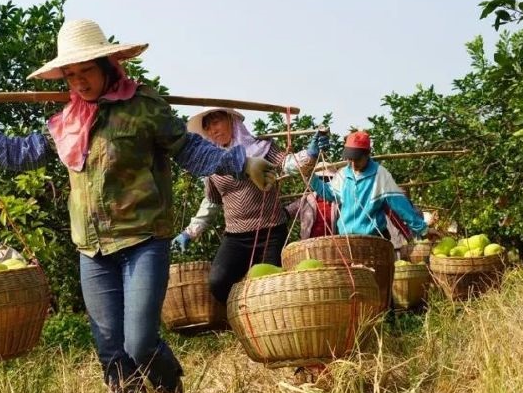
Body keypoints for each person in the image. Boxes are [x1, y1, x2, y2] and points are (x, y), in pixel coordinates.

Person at [0, 19, 276, 393]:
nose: (80, 82)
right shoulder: (67, 122)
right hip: (92, 249)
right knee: (110, 348)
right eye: (70, 74)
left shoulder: (144, 107)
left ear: (107, 65)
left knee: (139, 342)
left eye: (86, 70)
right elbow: (22, 153)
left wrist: (240, 162)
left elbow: (189, 149)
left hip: (142, 239)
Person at [172, 110, 330, 304]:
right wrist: (190, 232)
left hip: (270, 231)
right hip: (236, 236)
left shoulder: (262, 148)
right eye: (208, 127)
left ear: (231, 121)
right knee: (218, 281)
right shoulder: (212, 163)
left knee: (269, 286)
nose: (213, 130)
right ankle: (239, 318)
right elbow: (212, 202)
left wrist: (310, 153)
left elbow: (289, 164)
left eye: (217, 122)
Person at [309, 131, 429, 241]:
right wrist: (309, 169)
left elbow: (401, 206)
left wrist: (423, 230)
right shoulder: (344, 174)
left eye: (357, 159)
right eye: (350, 159)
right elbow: (328, 193)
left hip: (372, 239)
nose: (353, 164)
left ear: (367, 155)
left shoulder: (380, 174)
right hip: (346, 239)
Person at [284, 167, 339, 240]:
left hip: (333, 245)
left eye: (328, 179)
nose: (324, 183)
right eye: (321, 179)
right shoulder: (307, 199)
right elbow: (287, 212)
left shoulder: (338, 200)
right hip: (309, 245)